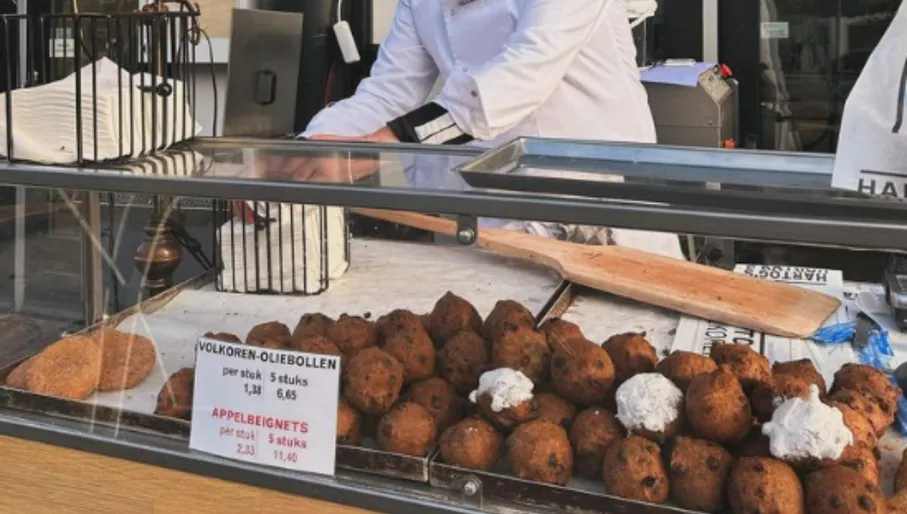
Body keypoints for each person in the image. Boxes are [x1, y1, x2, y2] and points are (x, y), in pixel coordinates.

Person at [270, 0, 683, 259]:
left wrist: (388, 143)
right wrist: (302, 153)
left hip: (597, 218)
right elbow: (387, 93)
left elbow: (518, 75)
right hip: (492, 224)